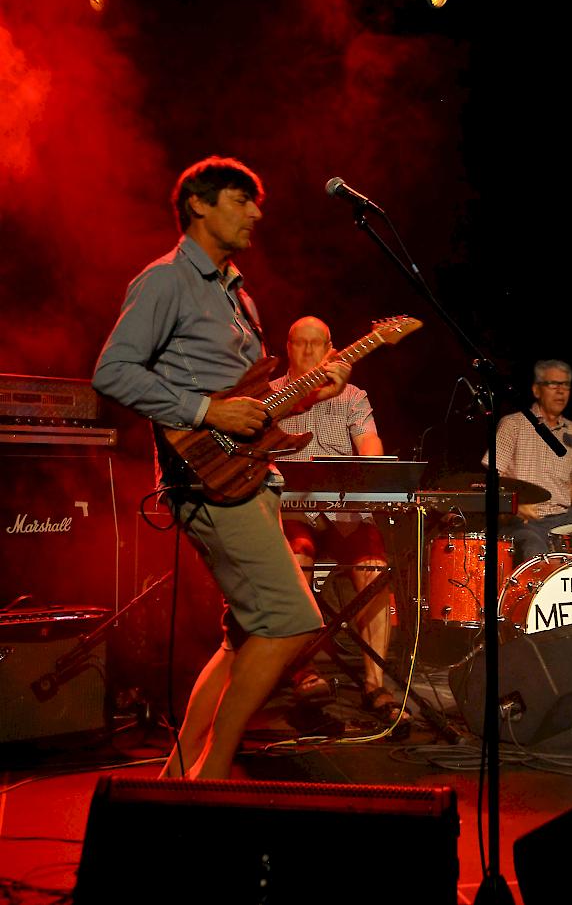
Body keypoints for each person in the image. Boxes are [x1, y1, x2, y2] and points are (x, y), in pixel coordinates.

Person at [92, 155, 351, 779]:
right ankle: (211, 775)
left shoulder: (240, 298)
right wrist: (205, 410)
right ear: (199, 205)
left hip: (248, 475)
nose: (257, 212)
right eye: (242, 200)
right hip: (207, 479)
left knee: (243, 639)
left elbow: (253, 402)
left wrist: (311, 393)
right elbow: (113, 372)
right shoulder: (164, 282)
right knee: (292, 624)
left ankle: (177, 776)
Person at [270, 316, 410, 728]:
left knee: (374, 569)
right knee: (299, 560)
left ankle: (374, 684)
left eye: (318, 344)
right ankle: (304, 670)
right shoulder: (272, 394)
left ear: (332, 348)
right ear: (288, 346)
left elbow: (369, 441)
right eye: (301, 343)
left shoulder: (353, 396)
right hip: (292, 506)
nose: (310, 352)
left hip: (344, 508)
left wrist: (376, 467)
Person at [482, 359, 572, 566]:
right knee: (533, 547)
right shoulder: (512, 425)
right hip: (524, 522)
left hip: (564, 520)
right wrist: (514, 505)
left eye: (566, 385)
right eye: (553, 384)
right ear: (536, 390)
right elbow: (491, 480)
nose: (561, 391)